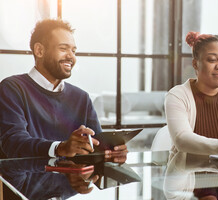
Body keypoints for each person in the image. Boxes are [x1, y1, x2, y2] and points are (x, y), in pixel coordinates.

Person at [0, 19, 127, 159]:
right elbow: (13, 143)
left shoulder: (81, 98)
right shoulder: (12, 89)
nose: (71, 56)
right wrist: (60, 148)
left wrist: (111, 152)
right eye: (63, 49)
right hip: (25, 180)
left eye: (73, 51)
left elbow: (95, 147)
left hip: (72, 180)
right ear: (39, 50)